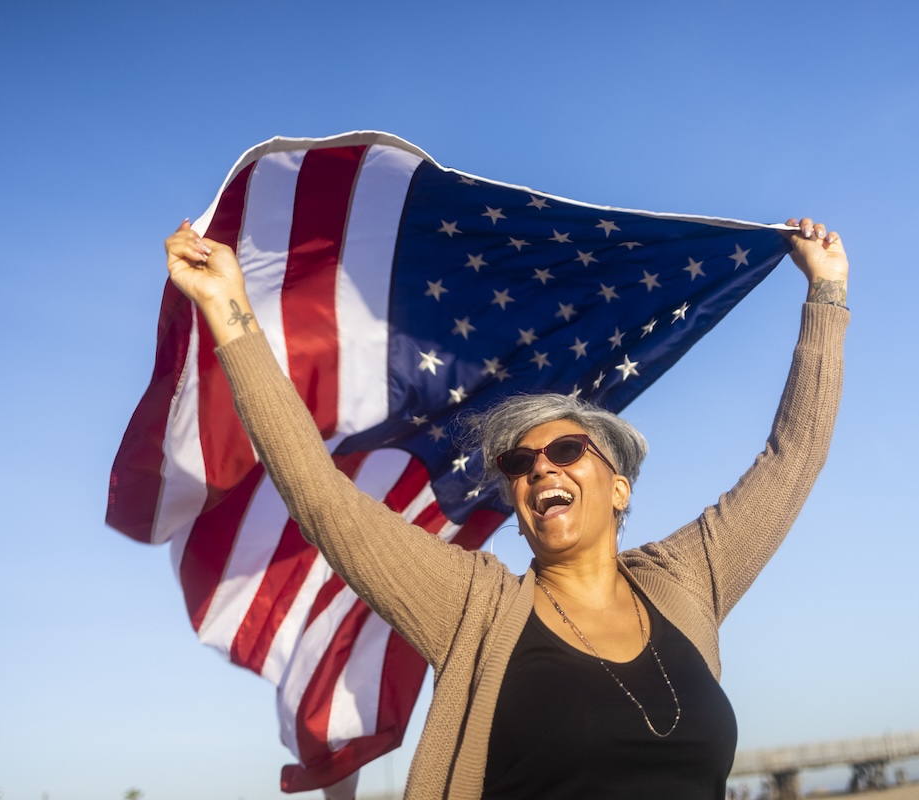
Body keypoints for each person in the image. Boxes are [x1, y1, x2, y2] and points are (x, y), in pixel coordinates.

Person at [164, 215, 849, 800]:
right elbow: (321, 497)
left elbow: (792, 460)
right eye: (519, 465)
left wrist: (826, 293)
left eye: (567, 451)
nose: (540, 467)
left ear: (619, 487)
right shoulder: (474, 608)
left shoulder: (689, 577)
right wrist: (230, 310)